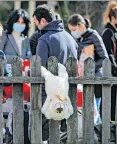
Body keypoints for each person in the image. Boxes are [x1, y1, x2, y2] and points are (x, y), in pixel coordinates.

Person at [32, 4, 77, 142]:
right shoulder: (71, 38)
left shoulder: (44, 39)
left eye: (36, 23)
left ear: (43, 21)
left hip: (49, 96)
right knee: (65, 135)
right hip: (69, 94)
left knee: (45, 136)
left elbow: (39, 69)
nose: (36, 26)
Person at [68, 14, 108, 125]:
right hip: (82, 81)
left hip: (95, 80)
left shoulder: (94, 36)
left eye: (73, 29)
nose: (72, 32)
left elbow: (104, 58)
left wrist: (89, 68)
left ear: (81, 26)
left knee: (95, 114)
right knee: (85, 113)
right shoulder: (77, 38)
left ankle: (98, 138)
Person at [102, 1, 117, 121]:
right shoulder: (108, 33)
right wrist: (116, 69)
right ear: (112, 18)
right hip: (113, 75)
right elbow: (109, 54)